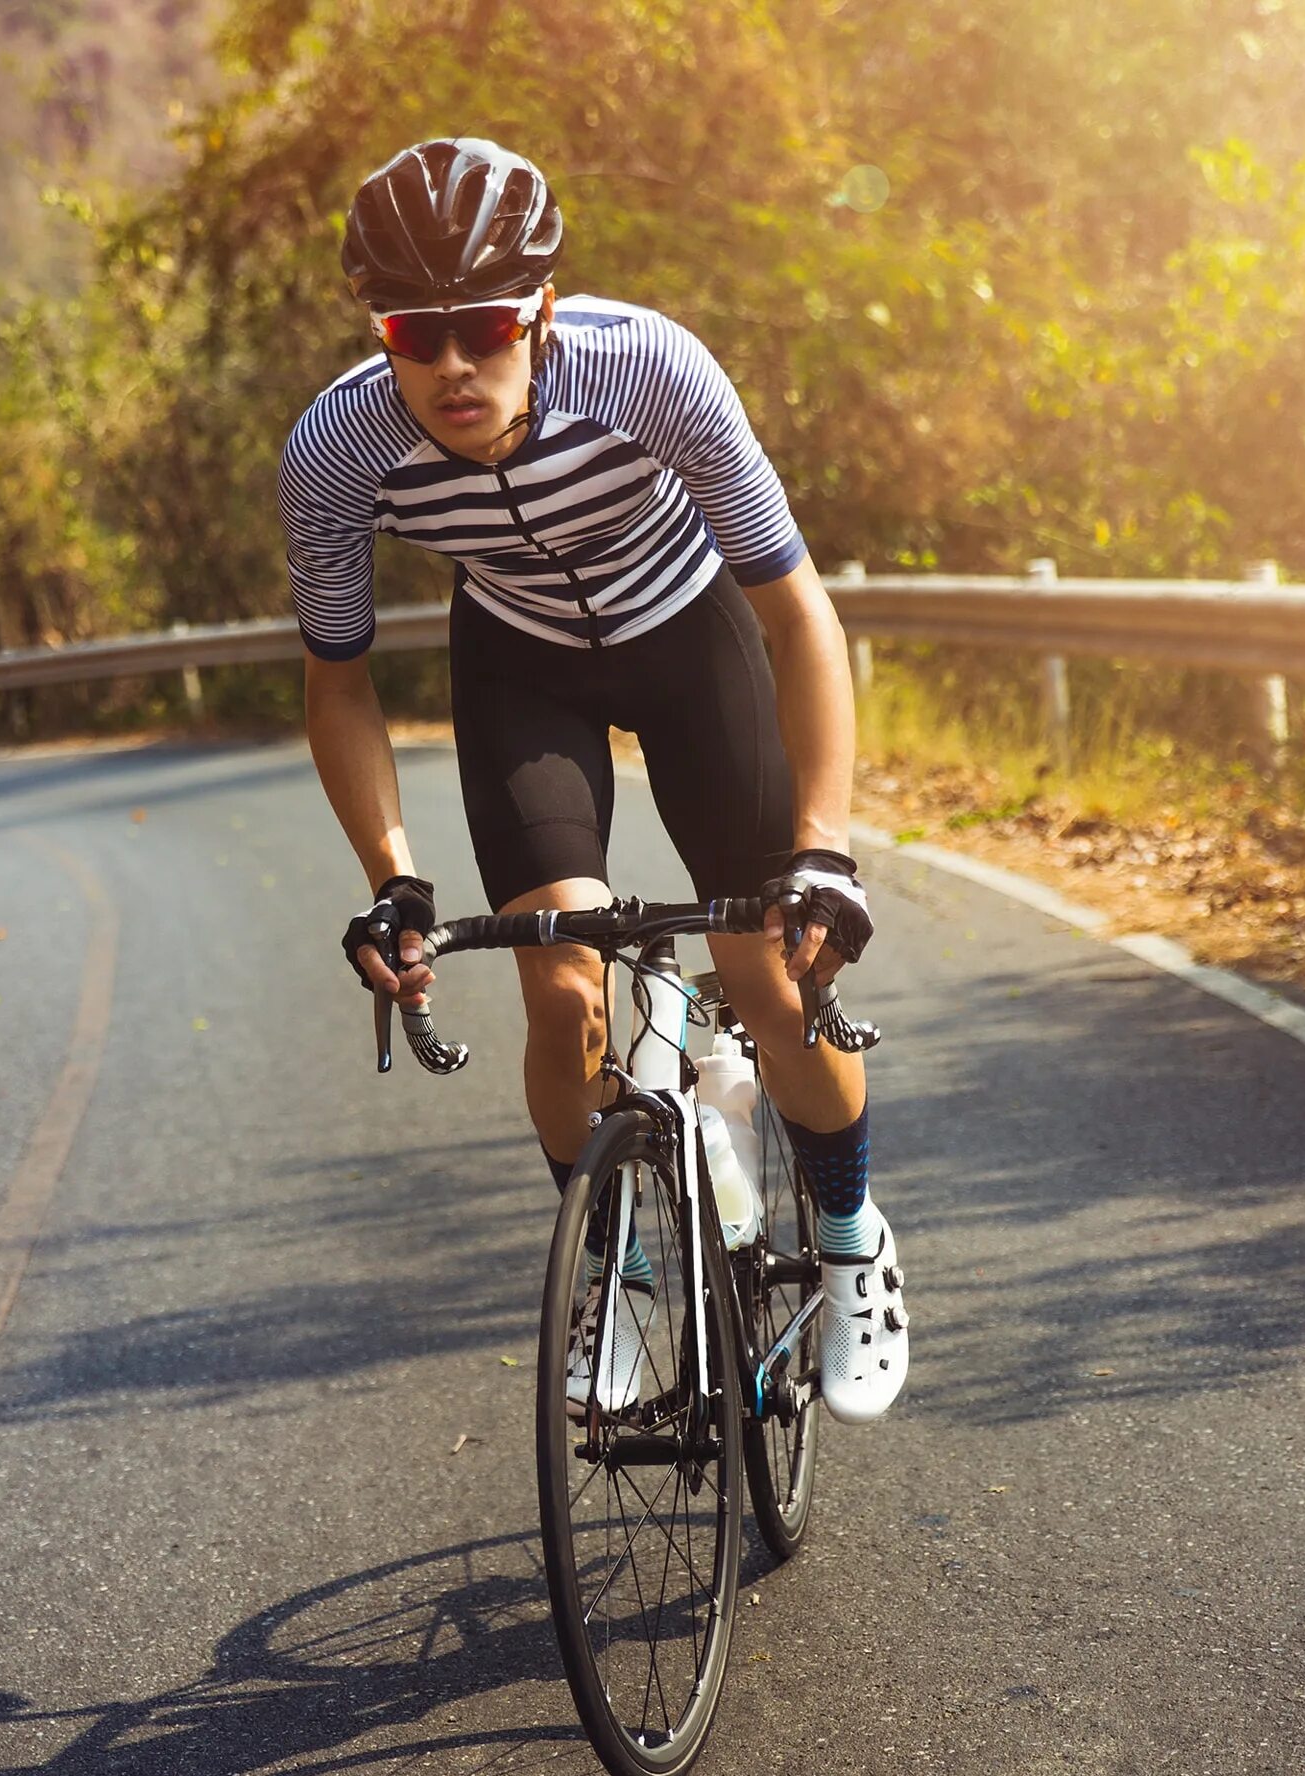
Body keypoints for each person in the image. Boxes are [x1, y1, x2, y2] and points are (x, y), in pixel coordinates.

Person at [279, 137, 906, 1421]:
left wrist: (823, 845)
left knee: (767, 979)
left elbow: (796, 614)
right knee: (560, 986)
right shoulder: (336, 451)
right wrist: (394, 881)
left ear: (541, 315)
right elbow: (338, 681)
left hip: (690, 637)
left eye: (487, 328)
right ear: (379, 330)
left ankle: (851, 1242)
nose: (453, 365)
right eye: (415, 332)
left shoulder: (649, 368)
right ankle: (612, 1273)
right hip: (523, 665)